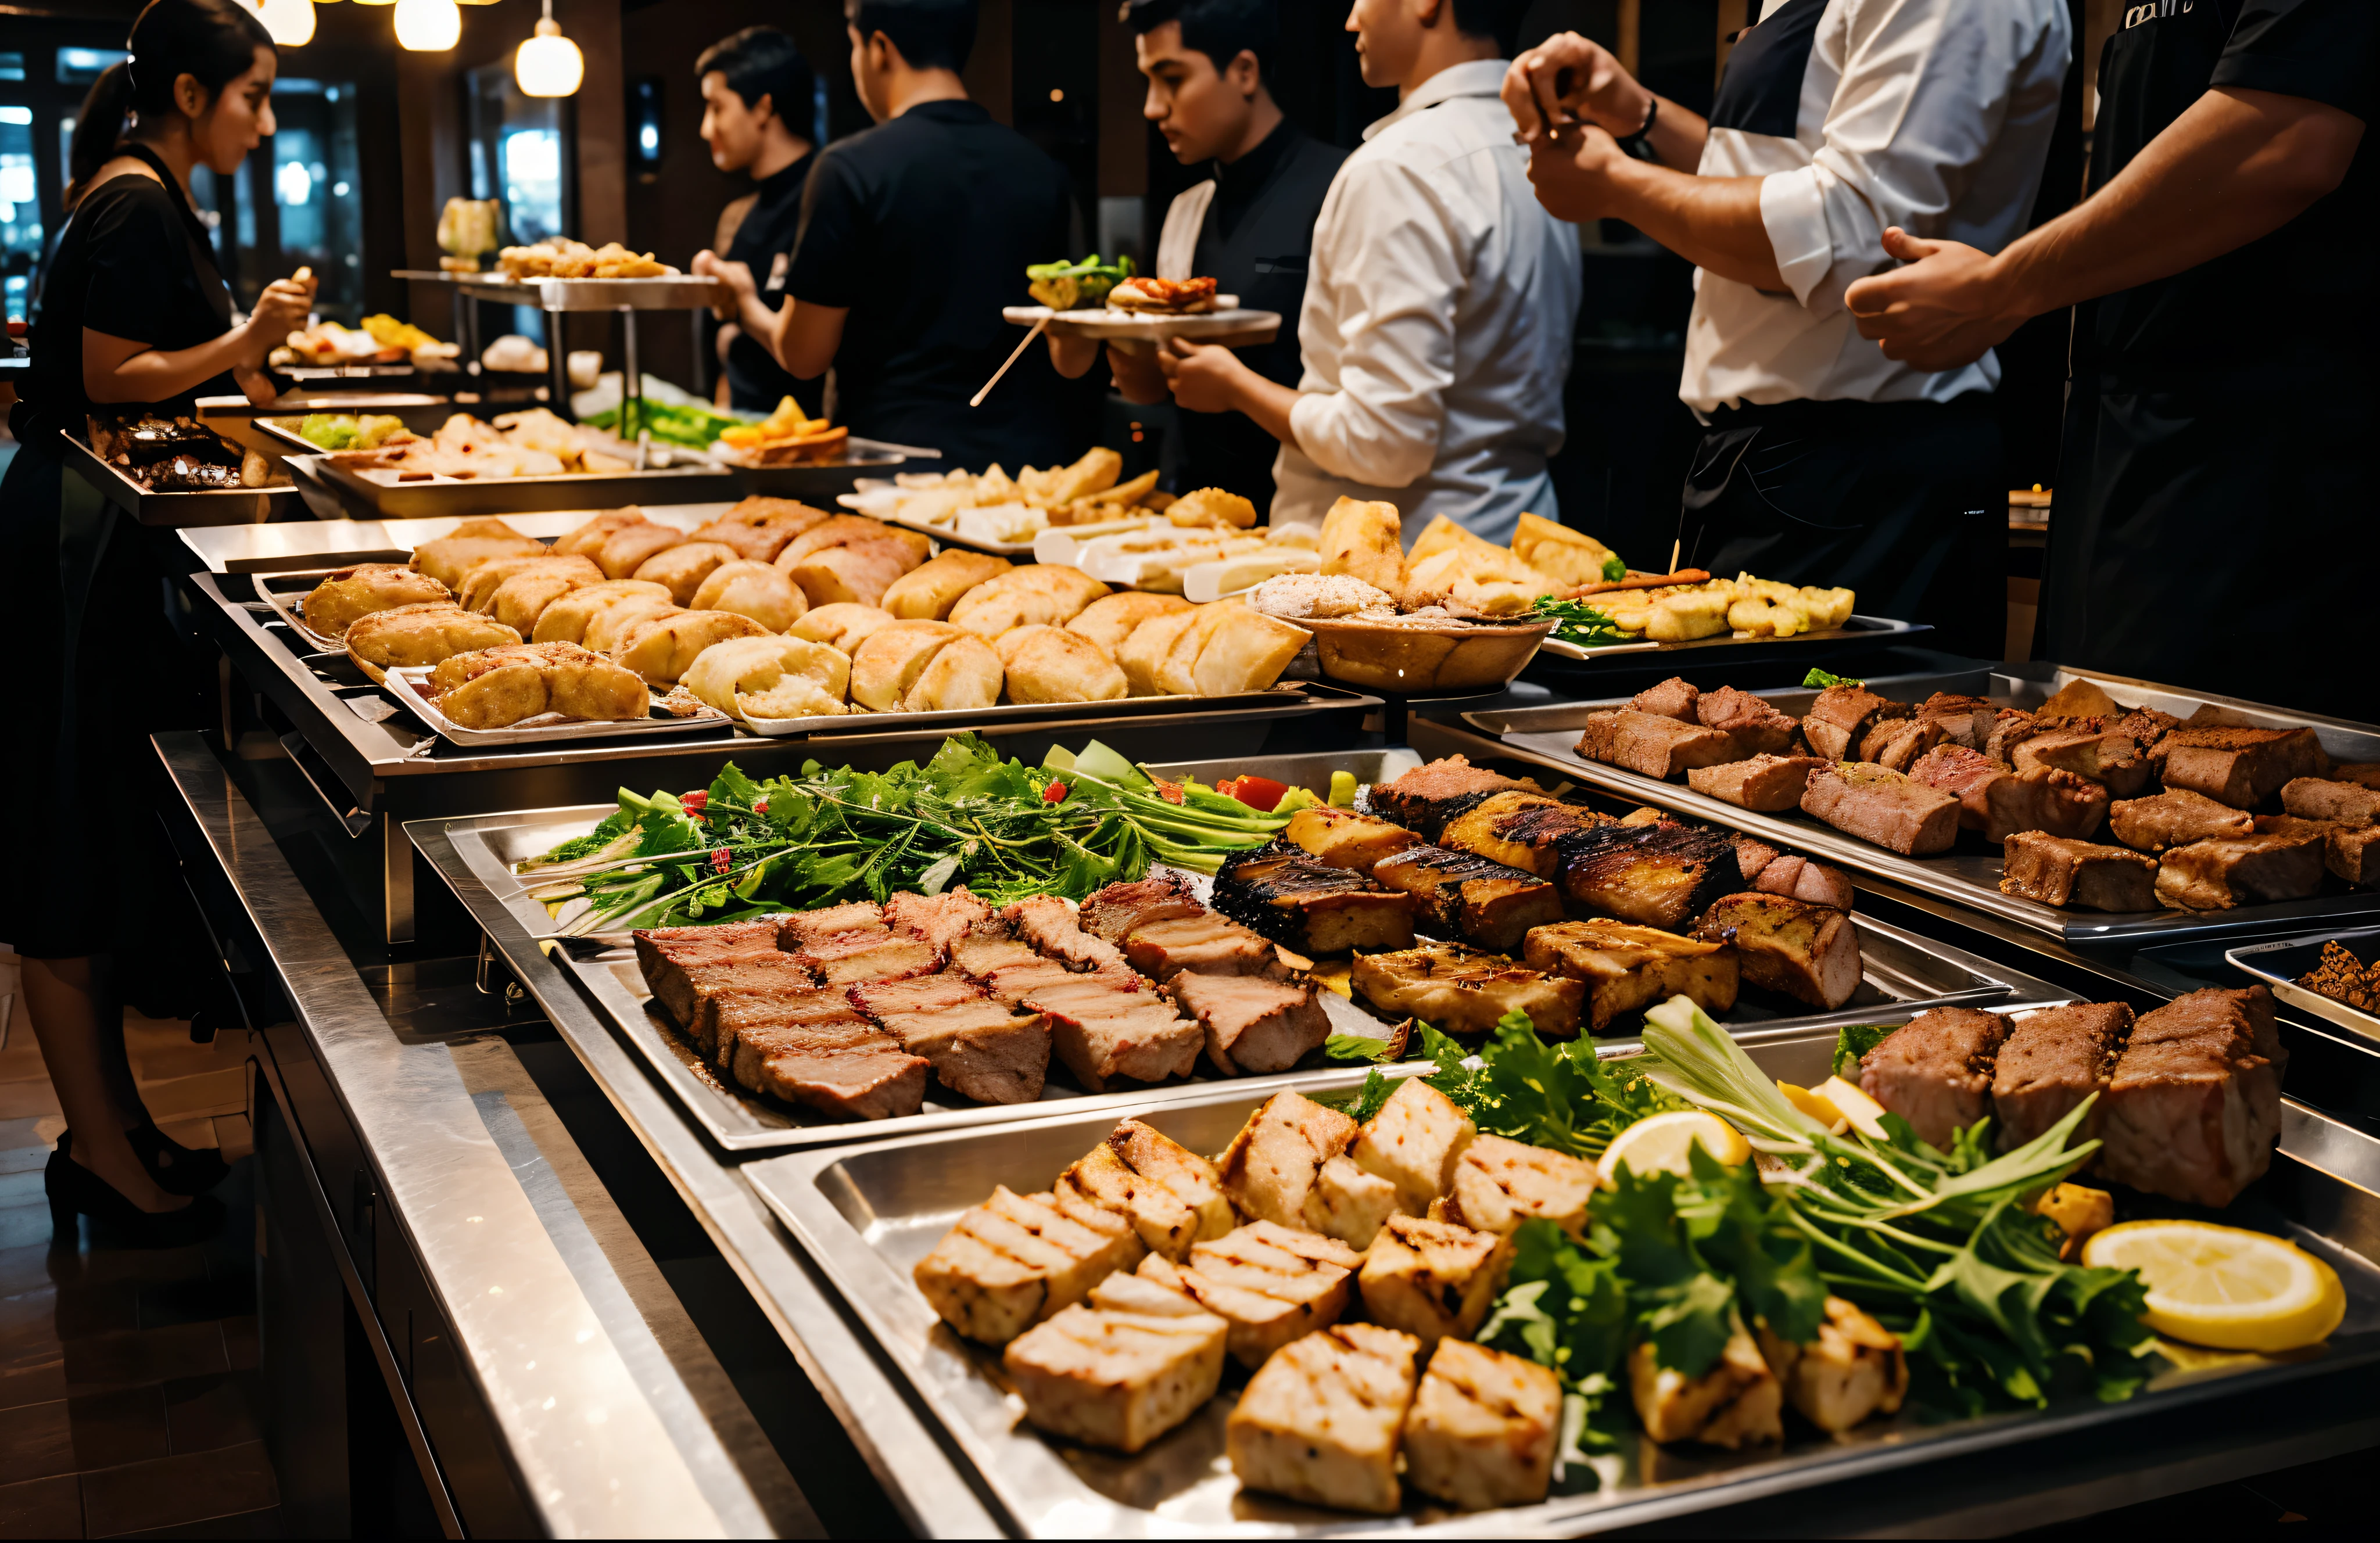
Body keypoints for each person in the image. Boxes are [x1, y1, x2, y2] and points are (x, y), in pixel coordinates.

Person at [0, 0, 313, 1243]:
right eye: (255, 96)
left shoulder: (144, 192)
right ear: (192, 94)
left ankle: (113, 1130)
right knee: (62, 836)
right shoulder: (133, 200)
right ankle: (97, 1150)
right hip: (73, 541)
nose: (266, 119)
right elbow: (105, 373)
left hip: (92, 531)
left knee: (91, 820)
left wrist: (251, 357)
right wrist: (248, 339)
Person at [1843, 0, 2372, 712]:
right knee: (2078, 763)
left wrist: (2004, 288)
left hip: (2277, 472)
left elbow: (2285, 136)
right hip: (2120, 454)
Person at [1504, 1, 2070, 658]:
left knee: (1847, 753)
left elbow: (1847, 234)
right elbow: (1782, 183)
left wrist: (1616, 183)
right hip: (1776, 468)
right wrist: (1643, 118)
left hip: (1861, 474)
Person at [1156, 0, 1580, 544]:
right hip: (1513, 535)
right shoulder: (1535, 147)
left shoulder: (1399, 165)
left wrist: (1236, 387)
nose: (1352, 18)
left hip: (1397, 567)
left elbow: (1384, 442)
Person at [696, 0, 1089, 469]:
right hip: (1026, 472)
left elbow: (803, 355)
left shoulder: (849, 170)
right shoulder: (1044, 172)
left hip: (897, 474)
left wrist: (743, 302)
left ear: (880, 48)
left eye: (855, 45)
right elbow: (1074, 356)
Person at [1056, 0, 1344, 510]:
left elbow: (1369, 415)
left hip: (1308, 515)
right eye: (1148, 81)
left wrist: (1235, 386)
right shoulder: (1189, 209)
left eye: (1172, 79)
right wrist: (1100, 343)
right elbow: (1158, 389)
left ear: (1245, 72)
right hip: (1196, 512)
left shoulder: (1340, 188)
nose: (1153, 107)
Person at [695, 27, 824, 418]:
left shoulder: (828, 195)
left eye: (717, 108)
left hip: (806, 443)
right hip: (745, 438)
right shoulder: (738, 215)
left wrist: (745, 305)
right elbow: (729, 347)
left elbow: (816, 354)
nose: (705, 128)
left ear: (764, 108)